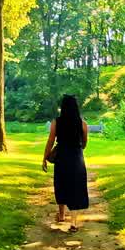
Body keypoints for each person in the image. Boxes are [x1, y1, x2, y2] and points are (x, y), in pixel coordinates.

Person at [42, 94, 89, 231]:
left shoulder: (56, 122)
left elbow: (50, 141)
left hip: (62, 158)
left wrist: (44, 157)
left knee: (61, 185)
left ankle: (62, 215)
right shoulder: (83, 124)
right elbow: (84, 144)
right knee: (76, 188)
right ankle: (73, 223)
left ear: (62, 107)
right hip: (77, 158)